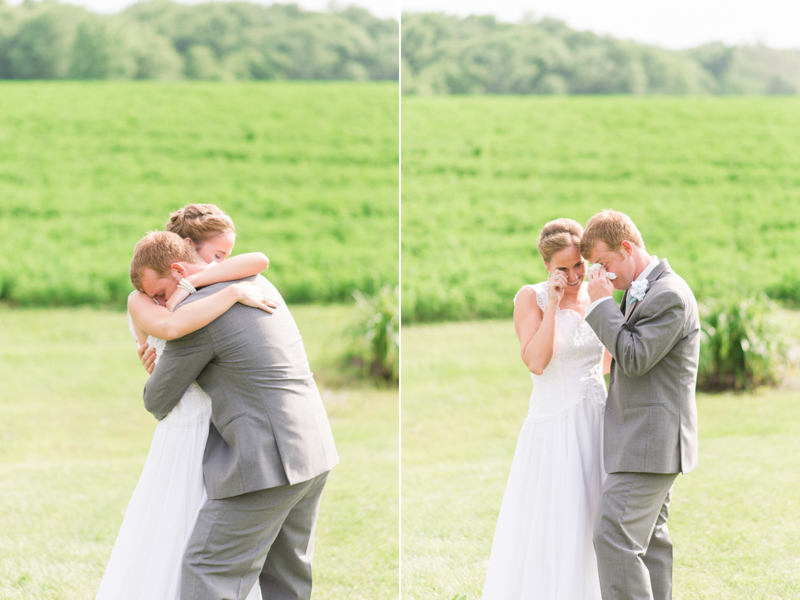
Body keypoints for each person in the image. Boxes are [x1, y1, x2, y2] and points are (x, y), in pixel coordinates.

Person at [134, 230, 338, 600]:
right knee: (287, 576)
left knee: (209, 568)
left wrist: (154, 363)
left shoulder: (198, 314)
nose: (161, 305)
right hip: (314, 446)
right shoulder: (257, 281)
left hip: (265, 461)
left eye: (160, 294)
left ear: (179, 267)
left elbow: (158, 399)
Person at [96, 205, 279, 600]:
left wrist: (196, 279)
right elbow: (171, 327)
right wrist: (230, 292)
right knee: (171, 523)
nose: (159, 300)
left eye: (160, 291)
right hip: (183, 425)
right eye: (154, 295)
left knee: (213, 527)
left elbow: (259, 260)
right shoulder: (145, 300)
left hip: (217, 425)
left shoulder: (196, 283)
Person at [481, 218, 611, 600]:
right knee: (557, 517)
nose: (573, 276)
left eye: (578, 266)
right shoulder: (531, 297)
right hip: (554, 421)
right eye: (563, 269)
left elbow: (606, 362)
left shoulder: (596, 293)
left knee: (595, 516)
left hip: (596, 418)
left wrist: (607, 304)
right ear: (546, 267)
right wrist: (553, 304)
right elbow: (537, 362)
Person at [581, 209, 699, 600]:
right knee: (651, 544)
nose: (602, 275)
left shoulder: (669, 295)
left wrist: (599, 305)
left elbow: (633, 358)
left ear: (627, 248)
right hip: (643, 441)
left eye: (604, 264)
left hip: (650, 443)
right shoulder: (642, 290)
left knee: (613, 535)